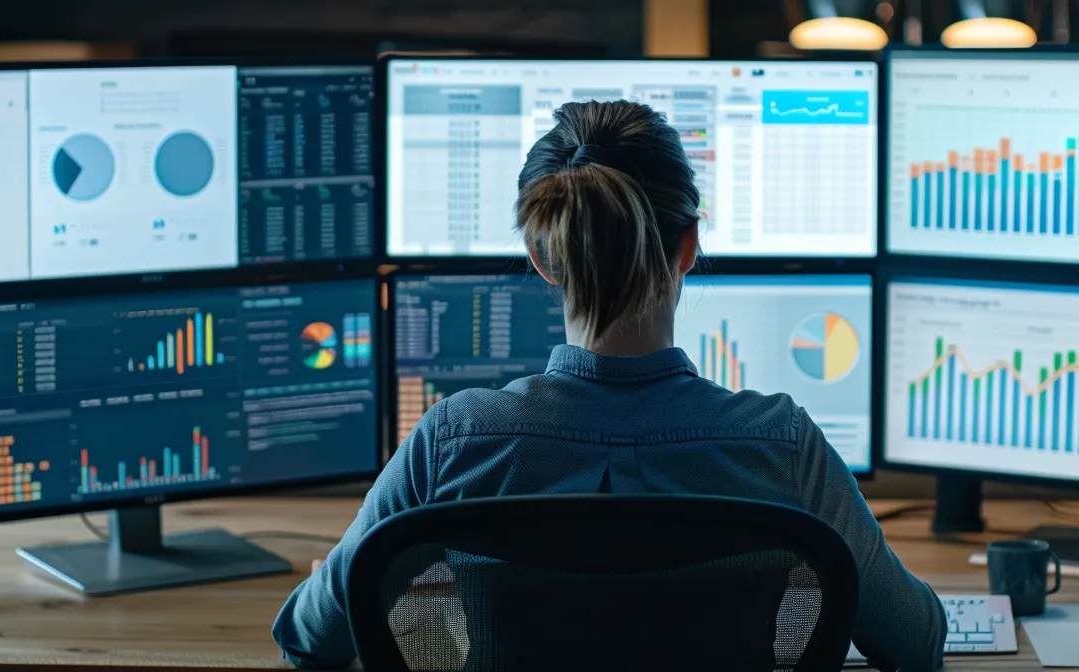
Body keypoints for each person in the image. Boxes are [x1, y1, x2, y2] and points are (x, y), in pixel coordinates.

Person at [272, 100, 947, 670]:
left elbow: (309, 639)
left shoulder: (455, 438)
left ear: (540, 257)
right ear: (687, 248)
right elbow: (913, 645)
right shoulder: (781, 443)